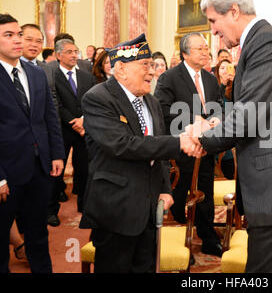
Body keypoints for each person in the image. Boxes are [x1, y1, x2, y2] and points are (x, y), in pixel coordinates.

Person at [184, 0, 272, 273]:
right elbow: (259, 109)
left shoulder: (267, 41)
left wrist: (203, 138)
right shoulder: (258, 43)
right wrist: (217, 123)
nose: (213, 31)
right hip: (270, 186)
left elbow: (250, 114)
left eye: (213, 21)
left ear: (233, 11)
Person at [79, 33, 195, 273]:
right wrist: (179, 142)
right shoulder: (98, 99)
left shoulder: (151, 102)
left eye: (152, 65)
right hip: (117, 209)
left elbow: (158, 152)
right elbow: (124, 144)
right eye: (145, 65)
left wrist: (165, 188)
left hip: (150, 208)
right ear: (120, 69)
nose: (152, 72)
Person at [0, 13, 65, 273]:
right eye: (9, 35)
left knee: (38, 233)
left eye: (18, 34)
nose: (17, 40)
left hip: (40, 168)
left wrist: (57, 154)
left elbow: (50, 117)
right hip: (6, 172)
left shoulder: (36, 74)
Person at [154, 32, 224, 257]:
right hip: (181, 148)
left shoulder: (211, 79)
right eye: (200, 49)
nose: (205, 52)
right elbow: (163, 111)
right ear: (185, 53)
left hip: (206, 146)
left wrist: (214, 119)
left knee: (205, 190)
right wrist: (193, 121)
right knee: (180, 192)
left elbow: (218, 106)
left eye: (206, 48)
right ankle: (177, 241)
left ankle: (207, 237)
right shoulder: (169, 77)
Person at [53, 39, 95, 218]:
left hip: (84, 129)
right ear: (58, 55)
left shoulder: (86, 76)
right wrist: (73, 121)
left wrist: (83, 119)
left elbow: (93, 100)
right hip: (63, 129)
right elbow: (57, 104)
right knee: (57, 170)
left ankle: (84, 206)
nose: (74, 55)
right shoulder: (52, 76)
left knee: (84, 168)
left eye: (75, 51)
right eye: (69, 52)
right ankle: (51, 209)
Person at [214, 58, 235, 179]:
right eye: (222, 68)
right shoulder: (215, 86)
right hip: (218, 132)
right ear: (217, 72)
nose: (225, 71)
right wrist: (222, 85)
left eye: (228, 68)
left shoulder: (235, 86)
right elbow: (215, 103)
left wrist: (235, 83)